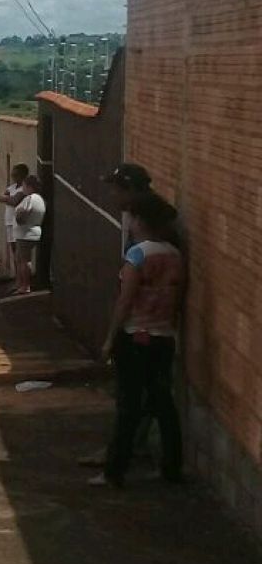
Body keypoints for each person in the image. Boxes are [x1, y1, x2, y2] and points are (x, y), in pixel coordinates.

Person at [79, 163, 181, 469]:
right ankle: (145, 454)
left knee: (131, 401)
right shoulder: (167, 245)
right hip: (162, 332)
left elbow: (128, 296)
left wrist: (112, 337)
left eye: (116, 188)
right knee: (158, 401)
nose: (113, 195)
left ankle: (117, 464)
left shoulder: (144, 243)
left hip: (139, 330)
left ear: (131, 192)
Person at [12, 175, 45, 295]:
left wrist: (18, 217)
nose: (23, 189)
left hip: (26, 234)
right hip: (30, 232)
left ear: (30, 187)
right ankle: (22, 284)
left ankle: (25, 285)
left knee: (23, 260)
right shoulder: (39, 199)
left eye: (24, 186)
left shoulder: (31, 198)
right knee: (21, 259)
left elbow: (23, 213)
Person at [0, 163, 29, 277]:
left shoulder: (24, 188)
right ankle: (17, 277)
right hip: (9, 222)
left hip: (18, 223)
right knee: (14, 252)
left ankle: (23, 279)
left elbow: (15, 201)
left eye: (16, 174)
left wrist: (8, 198)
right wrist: (9, 198)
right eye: (12, 174)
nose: (13, 177)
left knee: (20, 254)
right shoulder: (12, 187)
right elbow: (0, 197)